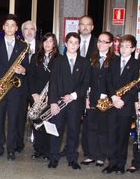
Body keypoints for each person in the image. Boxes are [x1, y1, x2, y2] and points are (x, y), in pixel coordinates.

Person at [0, 14, 29, 161]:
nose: (10, 28)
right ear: (3, 27)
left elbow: (27, 67)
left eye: (13, 25)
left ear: (16, 28)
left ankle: (11, 149)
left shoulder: (23, 46)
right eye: (7, 25)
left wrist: (23, 70)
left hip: (15, 90)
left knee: (13, 121)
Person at [48, 32, 90, 170]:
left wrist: (73, 95)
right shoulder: (58, 61)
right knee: (56, 130)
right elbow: (53, 83)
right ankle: (53, 157)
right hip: (59, 103)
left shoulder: (84, 62)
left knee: (74, 131)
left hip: (75, 103)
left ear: (79, 45)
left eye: (76, 43)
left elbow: (85, 83)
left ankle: (72, 158)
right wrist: (53, 102)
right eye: (70, 42)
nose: (73, 45)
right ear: (65, 44)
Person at [102, 34, 139, 174]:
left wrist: (123, 100)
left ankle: (120, 164)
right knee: (111, 134)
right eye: (122, 46)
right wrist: (113, 97)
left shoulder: (136, 64)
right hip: (113, 104)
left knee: (123, 136)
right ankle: (111, 163)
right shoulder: (113, 62)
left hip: (126, 105)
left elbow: (136, 85)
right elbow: (108, 81)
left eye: (127, 47)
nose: (123, 49)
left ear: (133, 49)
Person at [80, 32, 116, 167]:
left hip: (107, 99)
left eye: (105, 42)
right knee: (90, 127)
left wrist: (109, 96)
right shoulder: (92, 58)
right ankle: (91, 154)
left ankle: (101, 155)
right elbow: (87, 80)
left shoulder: (114, 60)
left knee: (103, 128)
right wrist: (87, 97)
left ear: (111, 44)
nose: (101, 44)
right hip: (92, 97)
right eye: (99, 41)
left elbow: (113, 81)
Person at [29, 33, 59, 160]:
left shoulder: (59, 58)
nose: (47, 44)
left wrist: (51, 96)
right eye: (45, 41)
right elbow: (30, 77)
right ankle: (38, 149)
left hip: (51, 96)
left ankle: (48, 151)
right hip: (37, 96)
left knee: (48, 123)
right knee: (37, 123)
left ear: (54, 43)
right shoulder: (35, 57)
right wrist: (34, 93)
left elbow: (59, 80)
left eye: (50, 41)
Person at [18, 20, 41, 152]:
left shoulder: (41, 46)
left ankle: (38, 147)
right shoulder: (18, 45)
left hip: (36, 89)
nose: (29, 31)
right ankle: (18, 145)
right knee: (19, 118)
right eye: (26, 29)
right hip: (20, 87)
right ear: (22, 31)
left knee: (38, 117)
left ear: (35, 31)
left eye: (32, 29)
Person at [78, 15, 98, 157]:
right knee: (73, 121)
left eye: (88, 24)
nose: (85, 27)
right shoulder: (73, 42)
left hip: (92, 87)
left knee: (90, 122)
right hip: (75, 88)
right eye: (82, 24)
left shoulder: (98, 43)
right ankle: (70, 148)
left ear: (92, 27)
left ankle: (89, 151)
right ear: (79, 27)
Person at [127, 54, 140, 173]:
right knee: (138, 135)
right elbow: (135, 86)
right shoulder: (138, 67)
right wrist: (136, 101)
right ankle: (137, 162)